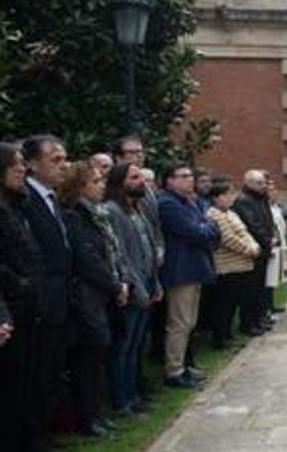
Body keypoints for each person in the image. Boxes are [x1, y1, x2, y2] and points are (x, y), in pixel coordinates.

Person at [62, 161, 126, 437]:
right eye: (96, 181)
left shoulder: (96, 214)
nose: (102, 185)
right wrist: (114, 285)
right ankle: (86, 418)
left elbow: (110, 252)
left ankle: (96, 413)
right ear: (79, 186)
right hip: (87, 298)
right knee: (86, 361)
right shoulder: (74, 216)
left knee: (98, 358)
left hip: (102, 295)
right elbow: (87, 259)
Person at [17, 135, 72, 450]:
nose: (63, 165)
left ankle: (44, 429)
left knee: (51, 367)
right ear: (32, 164)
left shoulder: (52, 198)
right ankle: (32, 434)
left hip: (60, 297)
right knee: (37, 371)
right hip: (40, 300)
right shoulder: (25, 200)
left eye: (64, 159)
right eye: (55, 159)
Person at [102, 161, 161, 416]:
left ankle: (134, 395)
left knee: (136, 346)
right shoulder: (112, 211)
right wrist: (137, 287)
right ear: (120, 182)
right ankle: (121, 400)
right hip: (132, 289)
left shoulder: (138, 209)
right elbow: (121, 255)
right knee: (124, 347)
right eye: (134, 177)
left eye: (141, 177)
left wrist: (155, 282)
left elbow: (149, 246)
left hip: (147, 283)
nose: (141, 182)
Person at [157, 162, 220, 388]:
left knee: (189, 322)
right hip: (180, 270)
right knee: (179, 323)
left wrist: (207, 227)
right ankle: (174, 371)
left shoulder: (187, 202)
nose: (189, 180)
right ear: (169, 180)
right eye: (183, 176)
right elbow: (195, 232)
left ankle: (182, 366)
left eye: (190, 175)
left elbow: (210, 228)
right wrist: (207, 228)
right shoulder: (167, 204)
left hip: (194, 267)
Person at [0, 143, 44, 451]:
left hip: (26, 308)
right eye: (14, 164)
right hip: (10, 309)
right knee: (9, 386)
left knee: (25, 381)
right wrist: (22, 283)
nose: (22, 169)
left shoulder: (17, 206)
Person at [203, 176, 259, 347]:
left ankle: (228, 335)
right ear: (217, 197)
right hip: (227, 266)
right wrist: (249, 250)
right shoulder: (214, 214)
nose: (231, 197)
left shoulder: (231, 213)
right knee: (224, 305)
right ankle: (221, 337)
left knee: (234, 303)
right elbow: (227, 238)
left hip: (242, 265)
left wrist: (254, 245)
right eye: (227, 194)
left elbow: (244, 232)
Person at [231, 170, 274, 332]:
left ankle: (259, 318)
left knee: (260, 288)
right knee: (250, 289)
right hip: (253, 250)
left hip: (262, 249)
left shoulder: (260, 198)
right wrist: (266, 240)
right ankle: (249, 323)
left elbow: (266, 220)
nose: (263, 186)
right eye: (259, 183)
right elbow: (253, 225)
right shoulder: (243, 200)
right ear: (248, 183)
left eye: (264, 183)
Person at [264, 176, 287, 316]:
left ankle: (271, 304)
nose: (274, 193)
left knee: (274, 279)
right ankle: (267, 307)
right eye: (270, 190)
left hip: (280, 244)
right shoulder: (265, 208)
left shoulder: (276, 207)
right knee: (268, 278)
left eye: (274, 190)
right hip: (271, 245)